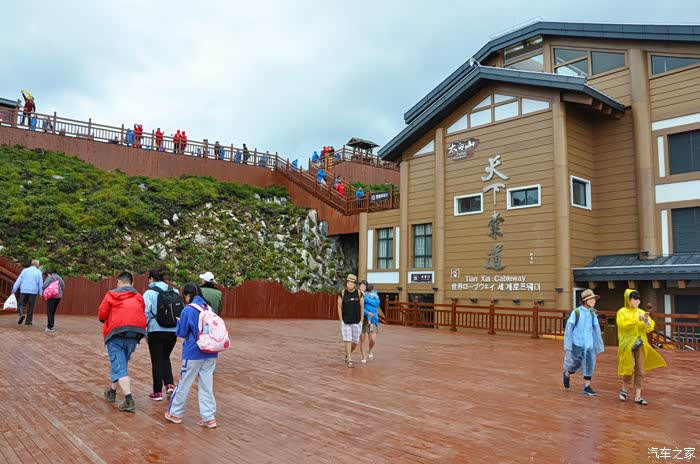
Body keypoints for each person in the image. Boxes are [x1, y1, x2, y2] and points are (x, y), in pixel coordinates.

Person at [165, 283, 218, 428]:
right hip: (211, 351)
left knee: (184, 383)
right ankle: (209, 418)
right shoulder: (209, 308)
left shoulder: (188, 310)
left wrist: (180, 323)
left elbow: (181, 333)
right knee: (207, 385)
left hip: (193, 352)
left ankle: (175, 413)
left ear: (188, 295)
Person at [99, 271, 147, 413]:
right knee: (121, 364)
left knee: (120, 367)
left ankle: (128, 400)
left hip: (116, 334)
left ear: (119, 282)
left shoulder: (111, 295)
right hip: (134, 333)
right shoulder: (138, 296)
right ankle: (112, 391)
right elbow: (142, 311)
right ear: (132, 283)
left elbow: (102, 314)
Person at [616, 289, 667, 406]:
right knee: (628, 367)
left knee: (640, 369)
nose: (636, 301)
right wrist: (637, 320)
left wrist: (647, 321)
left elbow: (650, 327)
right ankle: (624, 389)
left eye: (638, 299)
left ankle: (638, 396)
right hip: (627, 345)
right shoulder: (622, 312)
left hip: (640, 344)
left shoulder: (641, 312)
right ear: (628, 300)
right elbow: (622, 325)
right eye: (634, 299)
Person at [143, 269, 178, 401]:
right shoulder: (174, 291)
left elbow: (145, 312)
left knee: (156, 360)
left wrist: (145, 331)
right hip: (172, 330)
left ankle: (157, 392)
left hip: (155, 330)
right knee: (165, 357)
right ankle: (169, 385)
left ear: (152, 279)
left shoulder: (149, 293)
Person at [562, 289, 604, 396]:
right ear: (586, 301)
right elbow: (569, 329)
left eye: (594, 299)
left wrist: (598, 344)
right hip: (577, 343)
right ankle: (567, 373)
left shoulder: (592, 313)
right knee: (576, 363)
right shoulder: (576, 312)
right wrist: (568, 344)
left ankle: (587, 386)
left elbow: (596, 329)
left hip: (589, 344)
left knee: (590, 362)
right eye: (591, 299)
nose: (594, 301)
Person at [338, 274, 364, 368]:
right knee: (347, 339)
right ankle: (349, 359)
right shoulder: (342, 293)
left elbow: (362, 307)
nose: (349, 284)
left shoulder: (359, 293)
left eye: (351, 282)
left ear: (355, 284)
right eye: (348, 282)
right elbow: (339, 306)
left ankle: (347, 353)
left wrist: (361, 320)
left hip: (357, 321)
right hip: (346, 321)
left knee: (355, 342)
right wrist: (341, 320)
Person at [12, 259, 43, 325]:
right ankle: (28, 321)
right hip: (33, 291)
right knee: (31, 306)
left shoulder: (25, 270)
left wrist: (14, 289)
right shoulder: (38, 272)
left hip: (24, 290)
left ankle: (22, 314)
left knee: (21, 304)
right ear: (37, 265)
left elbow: (19, 280)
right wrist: (41, 292)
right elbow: (40, 283)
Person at [359, 281, 380, 363]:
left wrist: (366, 299)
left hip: (373, 319)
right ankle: (363, 357)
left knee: (372, 340)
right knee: (362, 339)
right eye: (361, 286)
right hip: (362, 319)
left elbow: (376, 303)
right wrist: (367, 312)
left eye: (364, 286)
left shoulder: (375, 296)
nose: (362, 288)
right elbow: (360, 307)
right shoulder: (360, 295)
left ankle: (370, 350)